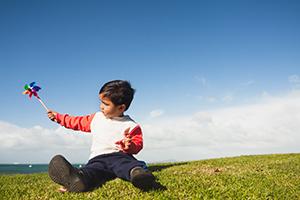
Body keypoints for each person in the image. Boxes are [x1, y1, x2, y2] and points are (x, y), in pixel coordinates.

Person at [47, 80, 155, 192]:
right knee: (92, 171)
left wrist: (130, 145)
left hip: (119, 156)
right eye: (101, 102)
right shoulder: (96, 118)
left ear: (121, 108)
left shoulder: (131, 125)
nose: (101, 107)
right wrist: (58, 117)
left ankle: (138, 175)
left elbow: (137, 145)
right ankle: (78, 179)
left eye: (106, 104)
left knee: (127, 165)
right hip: (97, 158)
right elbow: (76, 121)